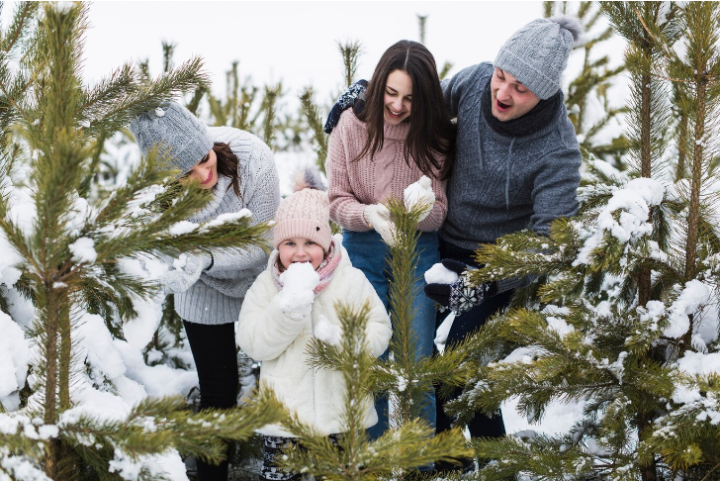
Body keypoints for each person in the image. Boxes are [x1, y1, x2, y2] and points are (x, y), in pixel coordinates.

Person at [324, 17, 584, 473]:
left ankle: (494, 462)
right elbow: (415, 99)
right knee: (416, 360)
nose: (501, 93)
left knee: (462, 358)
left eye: (519, 88)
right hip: (439, 244)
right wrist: (367, 93)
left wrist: (484, 282)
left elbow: (548, 243)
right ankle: (445, 459)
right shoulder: (475, 81)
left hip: (495, 260)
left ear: (544, 92)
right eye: (501, 77)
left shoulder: (556, 150)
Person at [130, 102, 280, 481]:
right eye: (185, 173)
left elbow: (264, 245)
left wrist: (204, 257)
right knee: (218, 391)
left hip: (258, 281)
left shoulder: (252, 158)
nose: (202, 173)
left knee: (278, 379)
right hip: (201, 289)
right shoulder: (154, 196)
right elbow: (156, 255)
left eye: (203, 157)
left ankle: (279, 467)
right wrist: (174, 268)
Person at [325, 39, 456, 440]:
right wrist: (368, 214)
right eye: (391, 94)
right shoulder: (350, 125)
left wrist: (415, 209)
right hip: (363, 252)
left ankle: (420, 463)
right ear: (379, 85)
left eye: (410, 98)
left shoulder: (434, 134)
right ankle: (373, 458)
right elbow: (336, 201)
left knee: (416, 365)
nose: (397, 106)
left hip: (417, 255)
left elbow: (439, 212)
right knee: (370, 362)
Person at [237, 174, 392, 481]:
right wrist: (286, 313)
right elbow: (251, 340)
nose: (300, 252)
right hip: (284, 420)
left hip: (342, 418)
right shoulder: (268, 286)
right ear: (278, 245)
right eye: (290, 243)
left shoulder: (350, 281)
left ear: (326, 242)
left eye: (310, 242)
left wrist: (346, 342)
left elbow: (380, 328)